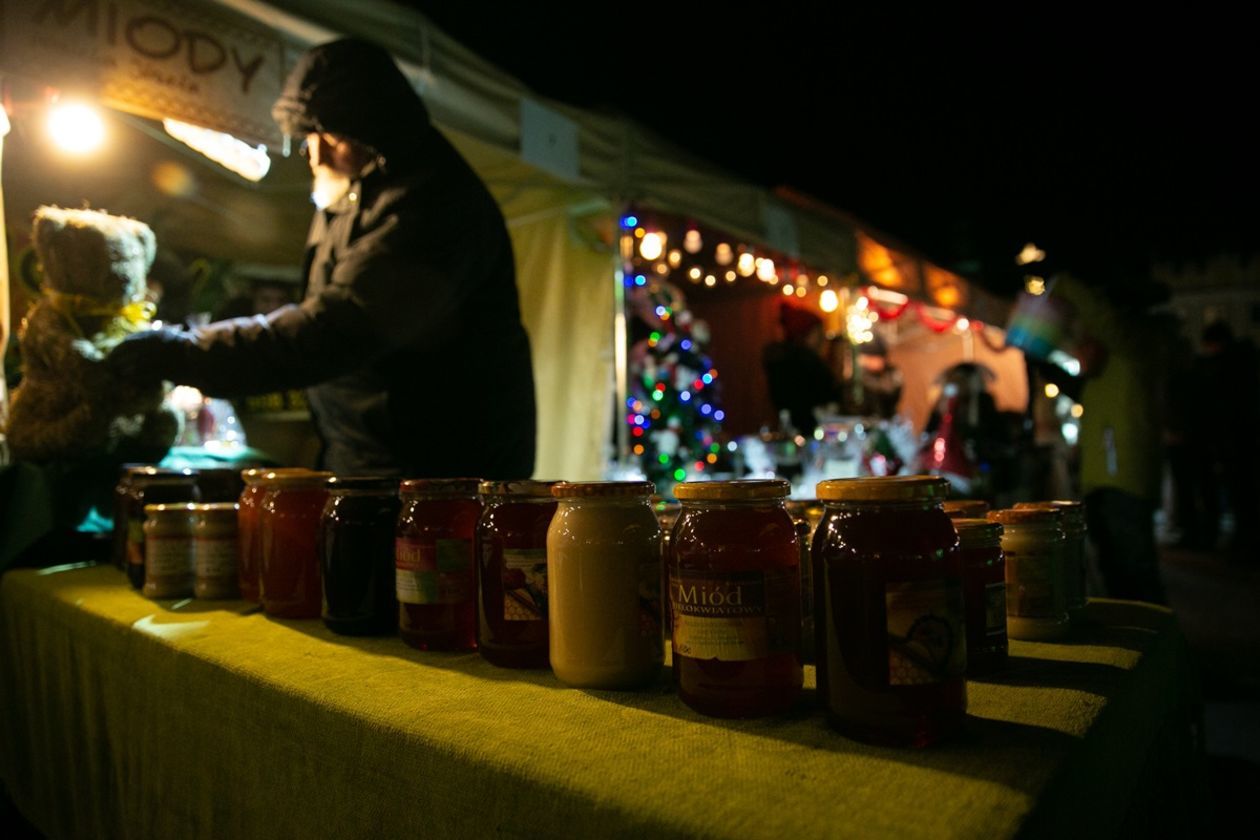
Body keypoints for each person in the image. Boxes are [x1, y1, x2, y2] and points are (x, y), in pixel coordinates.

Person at [109, 38, 536, 478]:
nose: (314, 152)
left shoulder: (432, 205)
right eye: (310, 135)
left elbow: (336, 329)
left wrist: (184, 354)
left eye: (331, 135)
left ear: (377, 131)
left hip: (445, 477)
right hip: (374, 459)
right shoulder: (355, 187)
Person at [1047, 274, 1166, 603]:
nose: (1080, 349)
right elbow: (1074, 387)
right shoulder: (1098, 380)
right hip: (1101, 484)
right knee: (1113, 570)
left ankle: (1157, 638)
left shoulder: (1131, 354)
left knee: (1136, 569)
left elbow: (1106, 323)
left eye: (1085, 341)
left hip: (1125, 483)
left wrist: (1065, 284)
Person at [762, 302, 841, 436]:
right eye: (818, 332)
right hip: (812, 431)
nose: (822, 337)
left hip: (797, 430)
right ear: (805, 334)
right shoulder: (807, 361)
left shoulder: (782, 360)